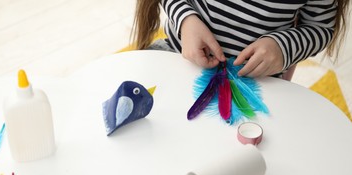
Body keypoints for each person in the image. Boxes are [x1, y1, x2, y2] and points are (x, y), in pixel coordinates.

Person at [131, 0, 350, 79]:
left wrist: (282, 48)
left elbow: (320, 27)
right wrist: (185, 19)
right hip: (177, 55)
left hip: (255, 81)